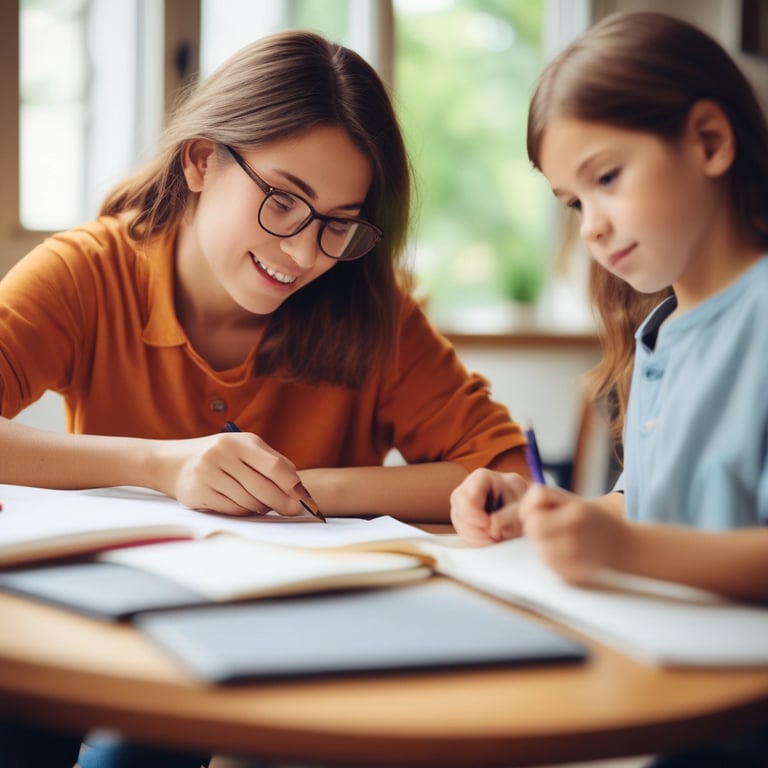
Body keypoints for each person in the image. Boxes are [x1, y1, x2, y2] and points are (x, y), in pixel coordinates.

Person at [0, 29, 529, 768]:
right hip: (114, 621)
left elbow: (507, 474)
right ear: (201, 160)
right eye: (284, 201)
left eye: (340, 224)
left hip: (290, 639)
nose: (306, 252)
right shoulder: (90, 271)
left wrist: (296, 491)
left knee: (147, 744)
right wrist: (162, 466)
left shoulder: (369, 309)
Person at [450, 11, 768, 767]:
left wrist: (623, 549)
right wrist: (543, 515)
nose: (590, 227)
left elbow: (648, 538)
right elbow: (647, 502)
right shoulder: (658, 332)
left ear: (709, 142)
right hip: (672, 690)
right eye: (572, 203)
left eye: (607, 179)